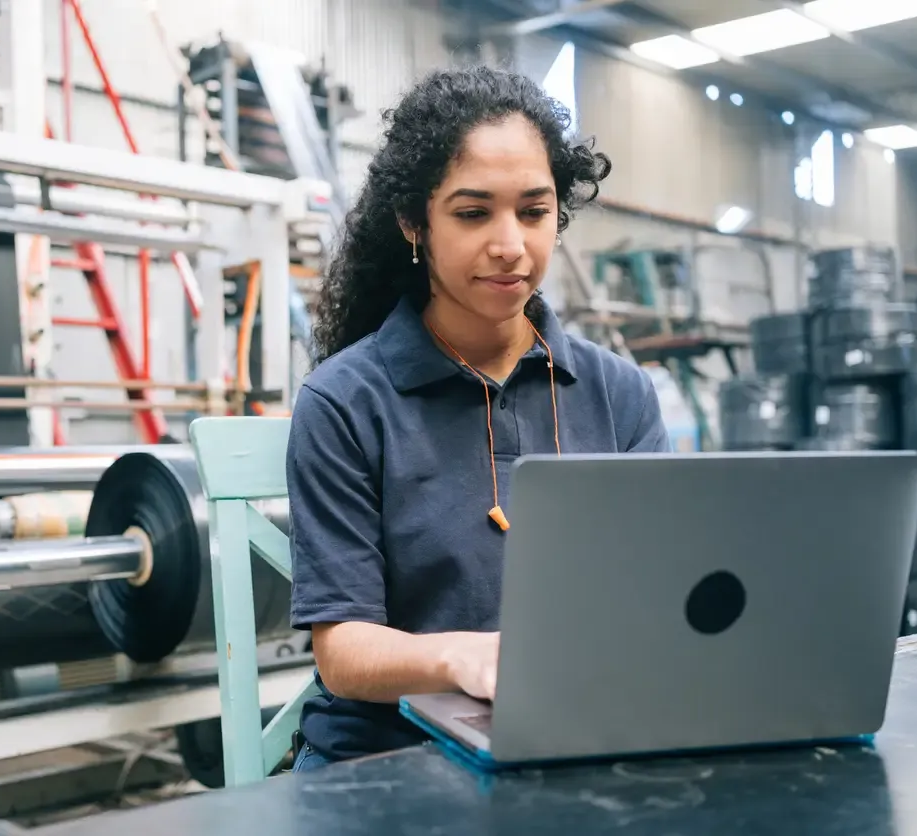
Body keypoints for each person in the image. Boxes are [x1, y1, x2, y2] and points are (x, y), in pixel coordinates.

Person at [285, 65, 671, 772]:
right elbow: (342, 654)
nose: (509, 245)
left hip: (572, 740)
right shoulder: (345, 403)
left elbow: (659, 592)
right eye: (472, 213)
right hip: (386, 763)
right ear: (413, 223)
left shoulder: (618, 393)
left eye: (533, 211)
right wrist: (470, 657)